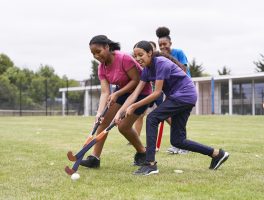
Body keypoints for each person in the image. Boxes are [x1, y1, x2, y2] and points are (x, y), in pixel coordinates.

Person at [115, 41, 229, 175]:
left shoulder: (161, 63)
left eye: (141, 54)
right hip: (183, 97)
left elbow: (157, 93)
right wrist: (120, 112)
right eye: (135, 56)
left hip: (184, 95)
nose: (138, 58)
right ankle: (217, 154)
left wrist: (134, 106)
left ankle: (150, 164)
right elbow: (135, 93)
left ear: (150, 53)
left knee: (152, 118)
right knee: (178, 141)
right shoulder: (146, 70)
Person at [80, 35, 152, 168]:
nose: (96, 56)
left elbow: (136, 80)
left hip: (141, 92)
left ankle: (142, 152)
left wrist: (117, 93)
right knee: (103, 120)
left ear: (107, 47)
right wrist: (99, 113)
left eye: (98, 51)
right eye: (93, 53)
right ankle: (94, 158)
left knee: (123, 126)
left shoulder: (124, 58)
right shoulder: (101, 68)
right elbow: (105, 92)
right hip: (123, 92)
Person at [156, 26, 190, 154]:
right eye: (160, 45)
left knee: (179, 118)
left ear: (170, 43)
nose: (163, 47)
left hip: (183, 88)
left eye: (165, 44)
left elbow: (183, 70)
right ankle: (177, 145)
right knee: (174, 118)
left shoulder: (179, 52)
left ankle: (184, 146)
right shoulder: (161, 57)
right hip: (171, 90)